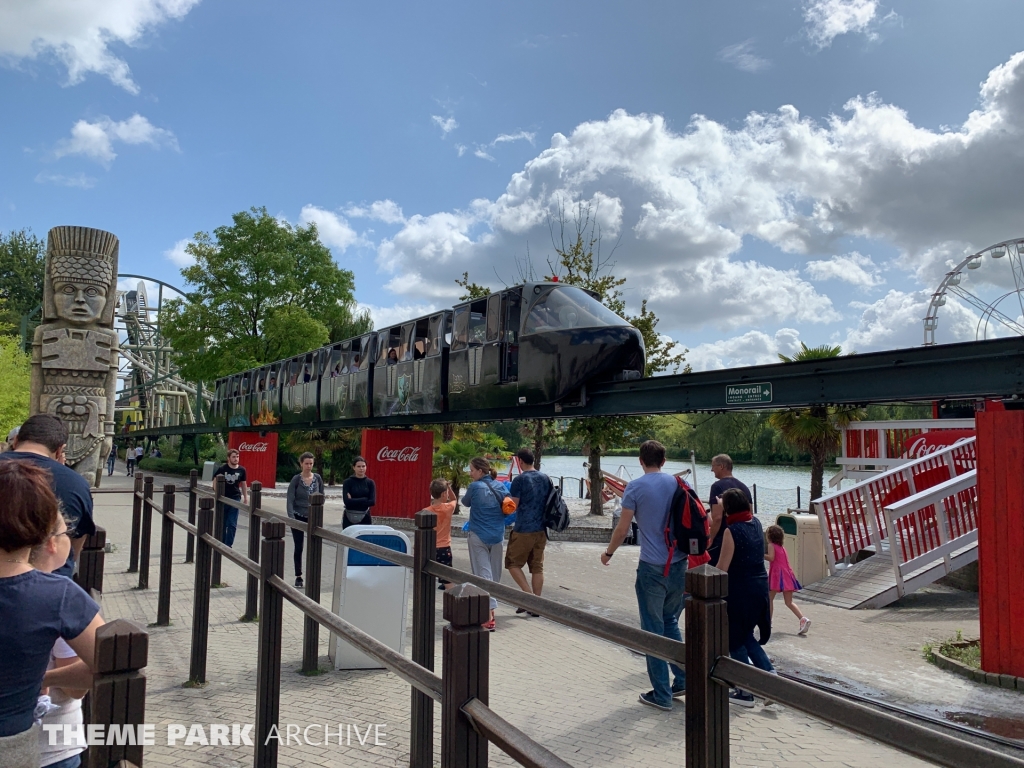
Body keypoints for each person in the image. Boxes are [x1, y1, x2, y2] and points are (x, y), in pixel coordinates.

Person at [0, 460, 103, 767]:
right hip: (13, 747)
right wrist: (45, 677)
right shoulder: (59, 595)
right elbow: (111, 659)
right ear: (45, 532)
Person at [601, 440, 686, 711]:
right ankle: (683, 678)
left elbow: (623, 528)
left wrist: (609, 553)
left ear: (641, 460)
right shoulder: (678, 484)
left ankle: (662, 695)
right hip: (679, 563)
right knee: (670, 621)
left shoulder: (635, 487)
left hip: (652, 566)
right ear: (664, 459)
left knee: (652, 629)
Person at [30, 512, 92, 768]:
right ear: (52, 544)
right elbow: (77, 687)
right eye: (67, 532)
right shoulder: (59, 598)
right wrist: (42, 680)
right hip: (50, 746)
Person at [0, 415, 95, 579]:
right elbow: (78, 535)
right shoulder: (75, 483)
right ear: (60, 450)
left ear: (15, 440)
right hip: (52, 580)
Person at [716, 488, 774, 708]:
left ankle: (745, 690)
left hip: (740, 590)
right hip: (760, 586)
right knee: (747, 635)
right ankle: (770, 677)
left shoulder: (732, 531)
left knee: (735, 639)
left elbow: (722, 567)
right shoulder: (757, 523)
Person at [462, 457, 510, 631]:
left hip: (478, 535)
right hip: (498, 535)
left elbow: (465, 502)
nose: (470, 473)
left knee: (482, 573)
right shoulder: (501, 486)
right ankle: (489, 609)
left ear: (481, 471)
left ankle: (488, 614)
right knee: (494, 574)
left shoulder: (475, 487)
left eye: (472, 470)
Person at [506, 448, 549, 614]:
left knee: (512, 563)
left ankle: (529, 598)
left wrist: (504, 503)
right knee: (537, 567)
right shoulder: (545, 478)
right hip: (541, 529)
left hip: (524, 528)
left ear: (521, 462)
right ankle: (536, 604)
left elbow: (512, 505)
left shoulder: (520, 480)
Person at [706, 454, 751, 567]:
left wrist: (710, 539)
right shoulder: (744, 487)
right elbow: (751, 515)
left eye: (713, 466)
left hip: (722, 538)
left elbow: (717, 517)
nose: (712, 470)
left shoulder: (717, 487)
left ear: (721, 466)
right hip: (742, 539)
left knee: (716, 575)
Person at [765, 525, 811, 635]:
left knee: (769, 599)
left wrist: (760, 555)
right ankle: (803, 619)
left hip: (777, 576)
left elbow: (771, 558)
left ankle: (768, 622)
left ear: (770, 536)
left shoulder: (771, 545)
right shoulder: (782, 548)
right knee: (789, 602)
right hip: (787, 575)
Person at [286, 453, 323, 588]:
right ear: (301, 463)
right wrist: (291, 519)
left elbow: (321, 497)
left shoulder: (317, 478)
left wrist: (319, 516)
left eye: (311, 463)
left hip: (313, 518)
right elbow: (290, 499)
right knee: (299, 546)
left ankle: (313, 575)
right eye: (306, 463)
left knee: (314, 547)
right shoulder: (296, 479)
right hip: (298, 515)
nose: (309, 466)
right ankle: (298, 575)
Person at [212, 449, 248, 548]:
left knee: (232, 523)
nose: (236, 459)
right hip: (223, 498)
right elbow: (215, 479)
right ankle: (221, 543)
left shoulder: (242, 470)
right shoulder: (223, 469)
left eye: (237, 456)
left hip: (235, 498)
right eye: (233, 457)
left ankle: (228, 545)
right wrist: (216, 491)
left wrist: (245, 497)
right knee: (223, 523)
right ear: (228, 458)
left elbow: (244, 484)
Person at [426, 478, 457, 590]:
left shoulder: (426, 510)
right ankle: (453, 603)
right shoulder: (448, 508)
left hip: (429, 548)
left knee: (427, 577)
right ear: (444, 494)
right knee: (448, 580)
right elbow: (454, 499)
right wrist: (449, 487)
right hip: (444, 548)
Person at [342, 457, 376, 528]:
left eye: (363, 466)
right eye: (358, 466)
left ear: (366, 467)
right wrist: (364, 499)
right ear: (354, 467)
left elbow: (372, 502)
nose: (361, 468)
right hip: (349, 516)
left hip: (365, 516)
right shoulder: (347, 482)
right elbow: (346, 502)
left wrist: (352, 500)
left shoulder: (370, 483)